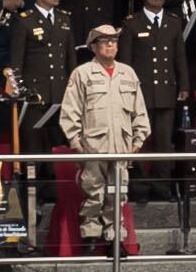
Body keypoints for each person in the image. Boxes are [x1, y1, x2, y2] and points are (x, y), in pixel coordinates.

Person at [59, 19, 150, 254]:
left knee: (118, 193)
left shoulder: (127, 73)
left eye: (114, 41)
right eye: (104, 41)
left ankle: (114, 237)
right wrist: (76, 143)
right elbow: (70, 111)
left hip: (121, 145)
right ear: (93, 46)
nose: (110, 45)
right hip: (92, 144)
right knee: (93, 192)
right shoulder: (82, 73)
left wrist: (138, 140)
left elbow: (139, 111)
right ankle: (90, 236)